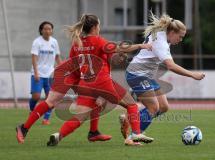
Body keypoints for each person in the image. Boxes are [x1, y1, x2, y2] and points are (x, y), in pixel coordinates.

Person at [16, 14, 153, 146]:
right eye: (99, 24)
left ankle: (71, 134)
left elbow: (75, 64)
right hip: (92, 80)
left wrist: (79, 86)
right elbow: (119, 48)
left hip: (83, 82)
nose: (99, 27)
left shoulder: (78, 43)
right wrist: (141, 46)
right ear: (94, 26)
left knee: (85, 112)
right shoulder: (98, 41)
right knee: (131, 104)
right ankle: (135, 133)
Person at [119, 12, 205, 141]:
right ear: (172, 32)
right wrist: (192, 74)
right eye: (180, 37)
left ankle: (130, 121)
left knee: (164, 107)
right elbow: (171, 66)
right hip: (137, 74)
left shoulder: (162, 35)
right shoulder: (162, 43)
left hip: (146, 75)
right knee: (154, 108)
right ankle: (134, 134)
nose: (180, 40)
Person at [29, 21, 61, 125]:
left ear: (52, 31)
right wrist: (36, 73)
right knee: (36, 96)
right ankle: (32, 111)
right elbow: (34, 58)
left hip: (50, 75)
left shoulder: (54, 42)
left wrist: (62, 69)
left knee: (51, 98)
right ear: (41, 30)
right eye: (45, 29)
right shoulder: (37, 42)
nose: (47, 31)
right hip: (38, 74)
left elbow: (57, 57)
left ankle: (46, 118)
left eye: (49, 29)